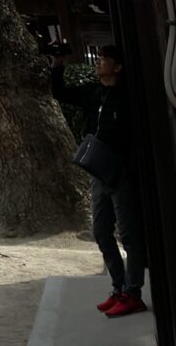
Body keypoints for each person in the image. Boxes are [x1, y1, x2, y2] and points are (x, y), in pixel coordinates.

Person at [49, 41, 147, 318]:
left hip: (122, 175)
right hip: (98, 173)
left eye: (104, 59)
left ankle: (133, 292)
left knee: (129, 236)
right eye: (99, 58)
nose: (98, 62)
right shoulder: (94, 93)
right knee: (102, 233)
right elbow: (61, 92)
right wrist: (57, 65)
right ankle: (118, 287)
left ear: (117, 67)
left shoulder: (128, 96)